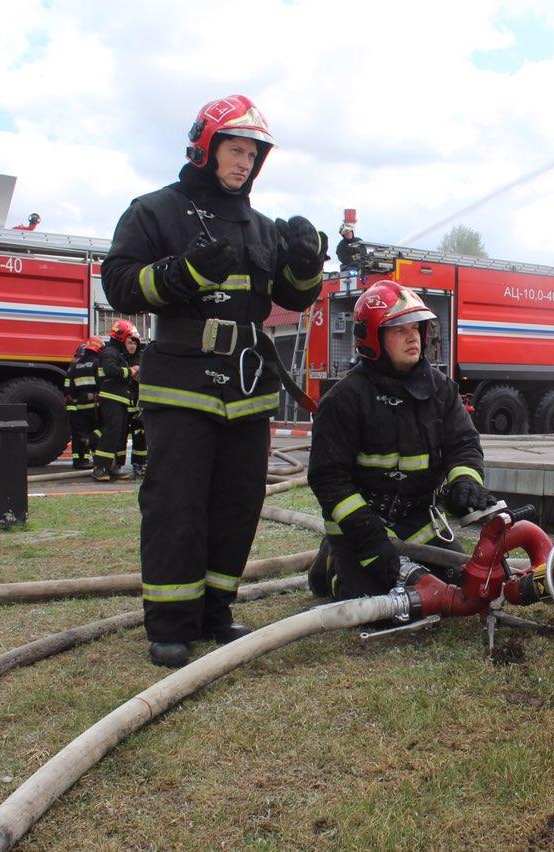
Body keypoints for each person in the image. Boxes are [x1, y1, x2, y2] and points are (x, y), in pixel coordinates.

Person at [101, 94, 327, 667]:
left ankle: (215, 611)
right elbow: (119, 285)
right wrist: (185, 272)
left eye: (252, 154)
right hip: (181, 384)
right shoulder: (155, 211)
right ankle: (170, 623)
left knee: (237, 504)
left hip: (247, 389)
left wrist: (306, 264)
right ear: (206, 147)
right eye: (235, 150)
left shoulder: (262, 228)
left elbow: (293, 297)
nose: (244, 163)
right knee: (176, 505)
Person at [307, 280, 495, 600]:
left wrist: (465, 481)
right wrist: (369, 536)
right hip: (359, 524)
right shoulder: (345, 399)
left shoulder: (441, 390)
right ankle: (333, 563)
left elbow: (463, 443)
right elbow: (328, 478)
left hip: (417, 520)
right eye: (399, 329)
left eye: (416, 327)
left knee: (461, 586)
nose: (413, 337)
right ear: (373, 338)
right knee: (377, 603)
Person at [92, 320, 139, 482]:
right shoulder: (110, 352)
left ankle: (115, 467)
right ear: (121, 337)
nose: (130, 343)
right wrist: (130, 371)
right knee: (112, 432)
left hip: (121, 399)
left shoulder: (119, 353)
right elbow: (111, 370)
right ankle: (100, 468)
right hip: (112, 398)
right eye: (129, 338)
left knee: (120, 434)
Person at [64, 336, 104, 469]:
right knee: (95, 432)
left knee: (79, 433)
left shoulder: (74, 366)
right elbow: (102, 383)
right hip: (94, 406)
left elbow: (68, 388)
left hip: (79, 406)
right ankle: (97, 459)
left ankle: (80, 460)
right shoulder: (97, 363)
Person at [124, 335, 147, 477]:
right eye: (129, 343)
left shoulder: (141, 358)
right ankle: (116, 464)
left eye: (134, 343)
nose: (132, 346)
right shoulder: (121, 358)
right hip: (124, 400)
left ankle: (139, 463)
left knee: (140, 433)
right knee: (121, 434)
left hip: (138, 401)